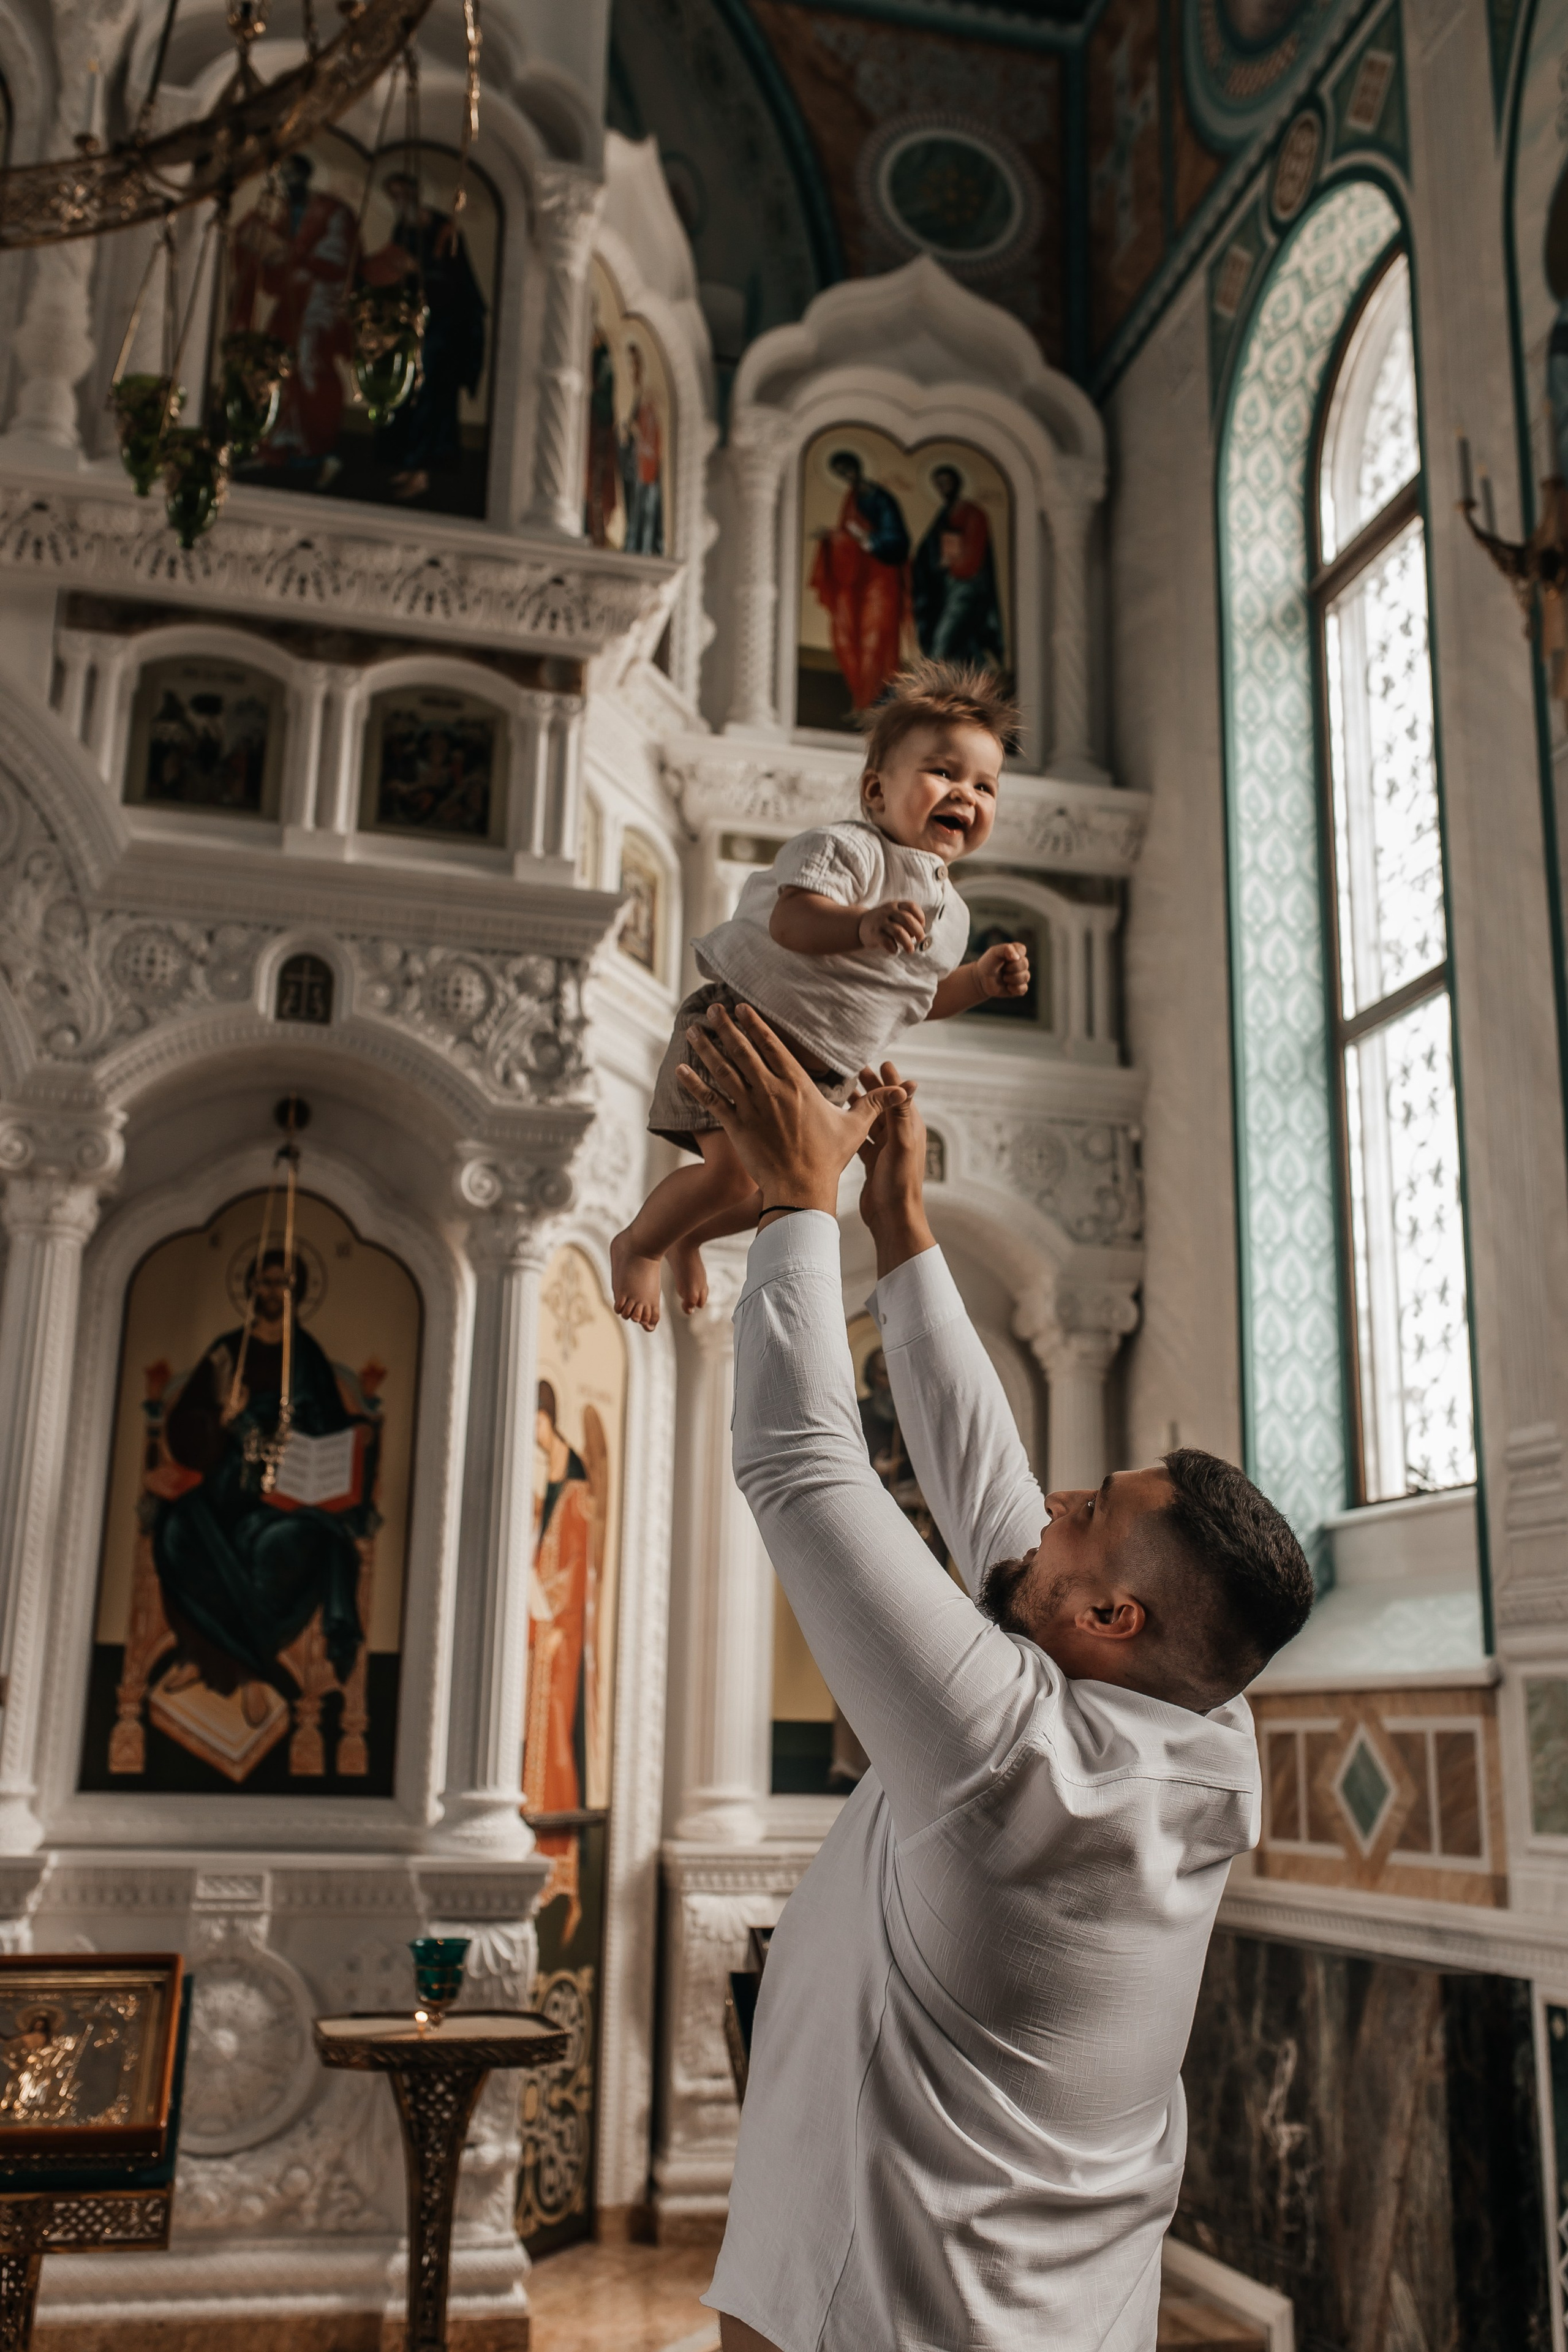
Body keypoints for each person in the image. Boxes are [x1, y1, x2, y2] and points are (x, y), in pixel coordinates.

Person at [670, 1006, 1315, 2352]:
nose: (1055, 1501)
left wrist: (800, 1208)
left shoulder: (1015, 1766)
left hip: (886, 2311)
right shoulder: (1193, 1729)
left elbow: (798, 1464)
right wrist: (899, 1236)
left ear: (1111, 1611)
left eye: (1089, 1512)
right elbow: (993, 1510)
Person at [609, 660, 1031, 1330]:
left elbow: (919, 999)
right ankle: (640, 1243)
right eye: (944, 773)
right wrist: (861, 924)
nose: (967, 794)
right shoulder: (850, 850)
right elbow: (792, 921)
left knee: (785, 1195)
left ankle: (688, 1236)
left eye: (985, 785)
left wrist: (977, 981)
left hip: (823, 1078)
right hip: (744, 1030)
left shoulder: (953, 917)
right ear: (875, 791)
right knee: (726, 1178)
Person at [153, 1248, 374, 1720]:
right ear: (250, 1289)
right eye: (264, 1282)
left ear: (297, 1294)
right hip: (228, 1478)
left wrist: (343, 1433)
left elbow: (329, 1421)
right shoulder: (227, 1351)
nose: (272, 1292)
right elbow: (186, 1424)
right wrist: (222, 1419)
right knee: (177, 1532)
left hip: (288, 1487)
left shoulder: (306, 1354)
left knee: (290, 1547)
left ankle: (246, 1670)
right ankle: (210, 1658)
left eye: (282, 1284)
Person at [360, 170, 488, 502]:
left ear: (414, 195)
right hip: (412, 329)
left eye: (401, 195)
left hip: (443, 333)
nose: (397, 203)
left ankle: (422, 471)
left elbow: (455, 284)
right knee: (401, 392)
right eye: (393, 197)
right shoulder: (402, 230)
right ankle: (406, 463)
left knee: (429, 400)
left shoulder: (444, 231)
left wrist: (418, 271)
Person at [231, 153, 356, 482]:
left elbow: (338, 260)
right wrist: (255, 241)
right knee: (276, 365)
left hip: (321, 304)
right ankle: (275, 446)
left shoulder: (332, 211)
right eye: (282, 179)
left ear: (305, 176)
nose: (287, 185)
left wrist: (297, 257)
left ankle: (321, 448)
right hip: (292, 300)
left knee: (311, 366)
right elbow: (273, 260)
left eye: (291, 177)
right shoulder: (285, 213)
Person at [809, 449, 911, 712]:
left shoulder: (881, 498)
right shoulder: (852, 499)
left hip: (881, 580)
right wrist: (834, 537)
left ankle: (878, 701)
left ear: (857, 468)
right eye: (840, 473)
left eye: (847, 469)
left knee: (875, 638)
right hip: (857, 581)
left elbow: (897, 541)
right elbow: (849, 536)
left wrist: (869, 540)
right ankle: (862, 700)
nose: (846, 476)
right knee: (848, 634)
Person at [912, 461, 1007, 669]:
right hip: (946, 589)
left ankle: (931, 687)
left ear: (957, 483)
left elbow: (974, 553)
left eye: (946, 483)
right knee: (964, 649)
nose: (943, 489)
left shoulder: (973, 513)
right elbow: (927, 551)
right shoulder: (943, 515)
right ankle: (989, 682)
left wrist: (953, 563)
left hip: (967, 589)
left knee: (941, 645)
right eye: (939, 485)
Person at [618, 341, 665, 555]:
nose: (630, 370)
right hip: (636, 463)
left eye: (632, 365)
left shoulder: (648, 396)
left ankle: (641, 548)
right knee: (635, 511)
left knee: (643, 512)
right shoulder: (637, 396)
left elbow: (651, 434)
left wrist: (635, 433)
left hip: (646, 465)